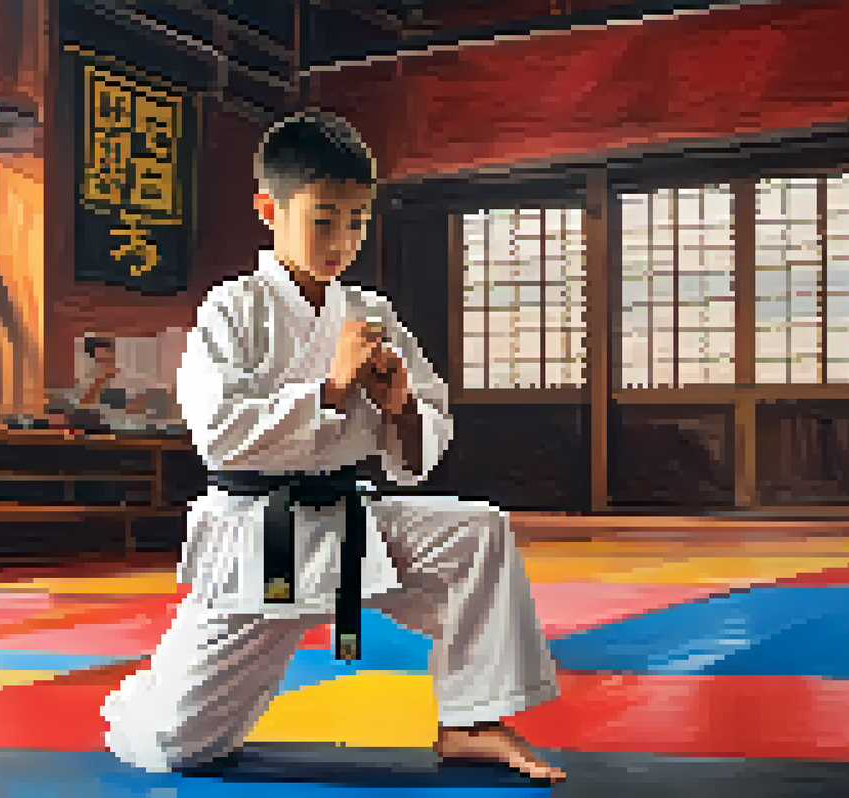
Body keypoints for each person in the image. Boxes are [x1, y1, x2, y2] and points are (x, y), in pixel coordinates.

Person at [100, 111, 566, 782]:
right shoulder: (232, 309)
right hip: (264, 541)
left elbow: (419, 446)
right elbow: (218, 435)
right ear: (270, 208)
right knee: (177, 744)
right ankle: (144, 700)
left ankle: (469, 720)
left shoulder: (372, 315)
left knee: (477, 533)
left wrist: (398, 403)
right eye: (323, 219)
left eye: (355, 221)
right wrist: (331, 385)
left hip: (351, 525)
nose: (341, 239)